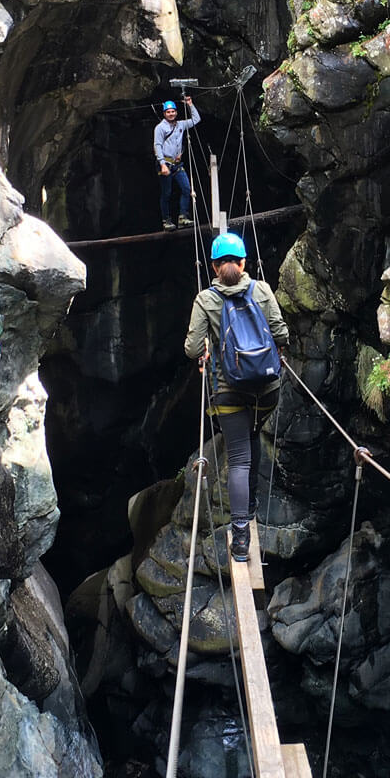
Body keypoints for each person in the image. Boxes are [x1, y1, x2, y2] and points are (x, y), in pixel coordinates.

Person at [184, 233, 289, 562]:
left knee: (239, 459)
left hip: (229, 389)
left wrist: (205, 350)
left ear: (215, 267)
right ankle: (253, 502)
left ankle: (240, 538)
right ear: (243, 262)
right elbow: (281, 332)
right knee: (254, 432)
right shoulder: (262, 289)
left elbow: (191, 348)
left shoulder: (205, 299)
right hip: (267, 390)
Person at [153, 97, 201, 231]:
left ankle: (182, 217)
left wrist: (190, 105)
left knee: (186, 189)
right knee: (166, 193)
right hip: (166, 163)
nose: (171, 114)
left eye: (173, 111)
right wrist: (162, 164)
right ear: (164, 113)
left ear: (176, 112)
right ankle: (166, 220)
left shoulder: (180, 125)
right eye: (168, 112)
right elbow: (157, 145)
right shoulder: (160, 128)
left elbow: (196, 120)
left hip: (177, 164)